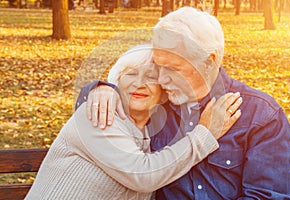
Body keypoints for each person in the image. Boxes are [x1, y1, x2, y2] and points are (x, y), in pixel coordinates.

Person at [78, 7, 290, 199]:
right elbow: (93, 108)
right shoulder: (156, 105)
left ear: (209, 61)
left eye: (173, 69)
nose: (161, 79)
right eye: (158, 66)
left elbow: (269, 196)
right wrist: (103, 90)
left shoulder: (260, 116)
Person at [25, 44, 242, 200]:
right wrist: (204, 133)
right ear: (116, 82)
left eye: (151, 77)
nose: (139, 84)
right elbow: (143, 176)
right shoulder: (98, 115)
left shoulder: (153, 131)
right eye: (130, 74)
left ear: (164, 92)